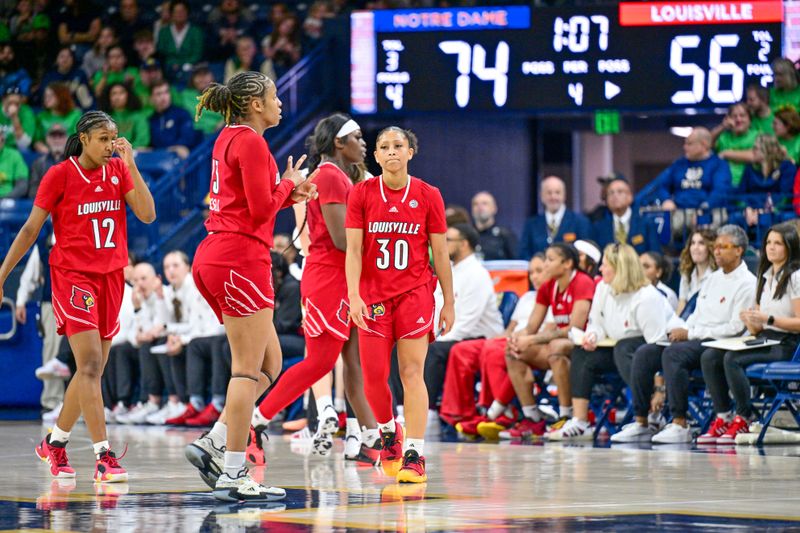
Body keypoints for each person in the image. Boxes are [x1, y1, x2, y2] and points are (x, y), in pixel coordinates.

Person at [0, 110, 155, 481]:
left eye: (113, 138)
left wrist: (131, 164)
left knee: (92, 370)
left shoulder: (118, 171)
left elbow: (147, 215)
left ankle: (54, 445)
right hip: (72, 278)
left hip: (111, 278)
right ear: (83, 138)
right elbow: (29, 229)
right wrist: (2, 273)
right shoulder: (59, 175)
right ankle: (104, 457)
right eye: (102, 138)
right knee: (87, 366)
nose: (109, 145)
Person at [184, 71, 316, 502]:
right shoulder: (253, 142)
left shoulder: (228, 136)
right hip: (240, 256)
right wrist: (288, 186)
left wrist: (285, 194)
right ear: (255, 103)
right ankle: (234, 473)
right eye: (275, 96)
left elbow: (252, 201)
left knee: (269, 364)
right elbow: (261, 211)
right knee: (246, 369)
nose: (280, 103)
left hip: (215, 254)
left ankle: (217, 439)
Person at [250, 113, 380, 463]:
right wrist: (381, 244)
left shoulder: (336, 176)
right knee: (320, 362)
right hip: (329, 278)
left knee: (355, 363)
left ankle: (371, 439)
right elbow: (340, 239)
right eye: (356, 136)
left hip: (343, 278)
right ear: (339, 142)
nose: (363, 143)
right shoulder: (331, 176)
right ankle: (255, 422)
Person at [346, 126, 454, 483]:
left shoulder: (428, 194)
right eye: (384, 147)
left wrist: (447, 302)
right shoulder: (361, 194)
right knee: (374, 378)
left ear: (410, 152)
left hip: (415, 294)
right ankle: (389, 431)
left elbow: (440, 252)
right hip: (374, 296)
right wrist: (354, 295)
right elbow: (353, 251)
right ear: (375, 156)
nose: (391, 152)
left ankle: (416, 454)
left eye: (398, 146)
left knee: (411, 373)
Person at [547, 244, 671, 440]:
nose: (600, 269)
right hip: (617, 351)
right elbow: (597, 323)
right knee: (582, 352)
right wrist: (592, 336)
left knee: (625, 348)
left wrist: (659, 389)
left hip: (648, 351)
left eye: (605, 265)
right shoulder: (603, 288)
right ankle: (580, 422)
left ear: (621, 268)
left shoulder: (646, 296)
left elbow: (658, 345)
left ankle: (649, 416)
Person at [652, 225, 756, 444]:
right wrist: (678, 331)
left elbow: (735, 328)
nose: (716, 251)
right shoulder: (712, 279)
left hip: (728, 341)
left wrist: (690, 334)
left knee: (677, 354)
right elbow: (696, 315)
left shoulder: (747, 283)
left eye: (723, 247)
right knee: (654, 349)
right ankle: (646, 419)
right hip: (702, 337)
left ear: (738, 250)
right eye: (715, 247)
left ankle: (680, 421)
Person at [697, 223, 800, 444]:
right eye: (768, 243)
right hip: (765, 337)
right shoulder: (764, 276)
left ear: (789, 247)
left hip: (788, 344)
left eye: (778, 243)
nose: (771, 248)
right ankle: (722, 416)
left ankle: (743, 416)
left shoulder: (795, 277)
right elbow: (758, 326)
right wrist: (751, 320)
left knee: (732, 359)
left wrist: (768, 319)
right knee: (710, 355)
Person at [440, 253, 549, 437]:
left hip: (531, 344)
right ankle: (461, 414)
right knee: (461, 350)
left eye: (539, 271)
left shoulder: (552, 298)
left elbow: (542, 331)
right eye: (531, 273)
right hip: (511, 339)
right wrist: (500, 338)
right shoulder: (527, 297)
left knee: (494, 349)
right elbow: (510, 329)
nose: (534, 277)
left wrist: (508, 340)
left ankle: (501, 413)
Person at [501, 243, 595, 438]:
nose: (545, 265)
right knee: (513, 350)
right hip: (560, 345)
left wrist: (532, 338)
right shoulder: (548, 286)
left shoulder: (583, 282)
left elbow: (575, 328)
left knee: (556, 348)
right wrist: (518, 338)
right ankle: (532, 417)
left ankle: (566, 415)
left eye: (550, 260)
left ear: (567, 263)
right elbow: (531, 327)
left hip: (587, 344)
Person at [425, 223, 503, 429]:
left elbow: (467, 322)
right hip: (452, 334)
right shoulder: (450, 270)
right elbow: (435, 309)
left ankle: (429, 410)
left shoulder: (477, 274)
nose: (442, 244)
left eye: (448, 240)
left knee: (432, 351)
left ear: (465, 244)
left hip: (478, 338)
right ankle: (400, 408)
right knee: (406, 346)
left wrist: (434, 340)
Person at [636, 127, 731, 211]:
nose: (684, 147)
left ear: (703, 145)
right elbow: (663, 185)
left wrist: (705, 208)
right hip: (678, 210)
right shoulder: (679, 164)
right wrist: (666, 200)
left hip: (709, 211)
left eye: (689, 144)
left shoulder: (719, 164)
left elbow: (719, 191)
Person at [519, 176, 592, 260]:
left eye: (557, 192)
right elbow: (523, 253)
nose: (553, 197)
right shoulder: (531, 224)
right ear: (542, 196)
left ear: (564, 195)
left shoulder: (580, 222)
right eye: (549, 193)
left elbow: (585, 254)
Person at [735, 134, 795, 230]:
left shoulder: (786, 167)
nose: (753, 151)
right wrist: (747, 209)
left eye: (756, 148)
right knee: (735, 217)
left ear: (767, 150)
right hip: (752, 209)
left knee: (767, 219)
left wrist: (764, 210)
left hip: (775, 209)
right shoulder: (750, 168)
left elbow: (785, 195)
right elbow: (740, 194)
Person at [594, 177, 660, 254]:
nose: (615, 196)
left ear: (630, 197)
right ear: (606, 200)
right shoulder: (599, 227)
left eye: (620, 192)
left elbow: (656, 256)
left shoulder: (646, 224)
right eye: (611, 193)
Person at [147, 80, 198, 158]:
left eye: (166, 92)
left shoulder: (182, 113)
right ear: (151, 98)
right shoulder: (151, 120)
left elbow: (187, 140)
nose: (163, 97)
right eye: (158, 94)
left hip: (179, 161)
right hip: (159, 159)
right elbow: (152, 145)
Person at [156, 0, 204, 81]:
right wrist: (172, 64)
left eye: (182, 11)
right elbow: (161, 52)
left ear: (187, 13)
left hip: (190, 69)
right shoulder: (164, 32)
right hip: (168, 69)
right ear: (171, 14)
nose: (179, 14)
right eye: (176, 12)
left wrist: (182, 64)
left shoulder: (196, 31)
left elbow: (197, 53)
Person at [714, 102, 759, 188]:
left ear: (750, 119)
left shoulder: (757, 136)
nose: (738, 120)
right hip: (723, 185)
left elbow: (755, 156)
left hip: (748, 185)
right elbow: (706, 144)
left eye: (742, 116)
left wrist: (726, 154)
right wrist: (722, 127)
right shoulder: (723, 137)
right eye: (734, 116)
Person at [676, 229, 717, 317]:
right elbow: (682, 303)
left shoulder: (717, 275)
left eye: (701, 243)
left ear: (710, 247)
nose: (695, 247)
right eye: (693, 243)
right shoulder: (687, 273)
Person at [33, 83, 81, 153]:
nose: (47, 99)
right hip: (47, 156)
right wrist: (49, 153)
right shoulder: (41, 117)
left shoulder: (75, 115)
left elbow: (80, 140)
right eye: (46, 96)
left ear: (61, 96)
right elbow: (37, 141)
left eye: (51, 96)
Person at [100, 82, 149, 149]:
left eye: (121, 93)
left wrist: (125, 150)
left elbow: (143, 141)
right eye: (114, 94)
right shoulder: (104, 120)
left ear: (128, 95)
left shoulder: (138, 117)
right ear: (109, 98)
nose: (117, 97)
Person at [471, 191, 517, 260]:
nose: (480, 207)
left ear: (494, 208)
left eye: (485, 203)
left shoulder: (505, 235)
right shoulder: (466, 236)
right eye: (475, 204)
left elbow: (516, 263)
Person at [0, 128, 29, 198]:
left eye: (1, 135)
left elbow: (22, 185)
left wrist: (5, 199)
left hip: (7, 201)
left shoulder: (14, 155)